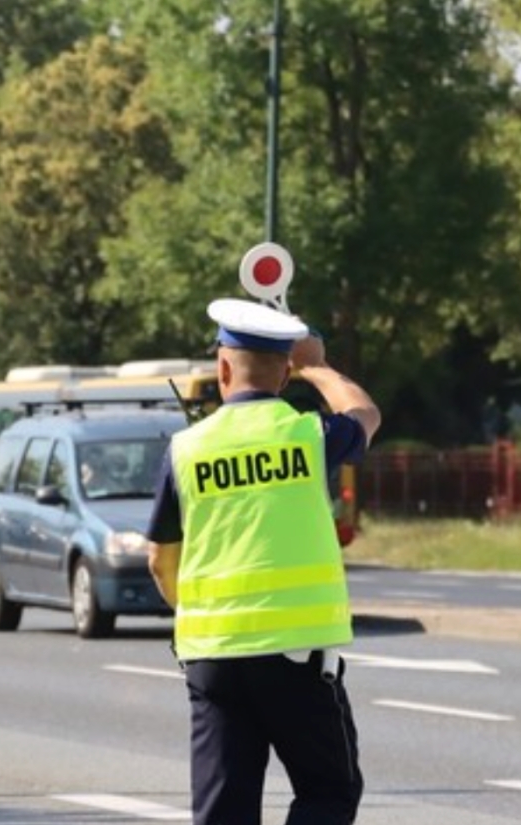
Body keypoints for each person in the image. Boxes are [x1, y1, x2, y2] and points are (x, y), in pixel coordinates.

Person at [146, 297, 382, 825]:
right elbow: (366, 415)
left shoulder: (186, 449)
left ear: (223, 368)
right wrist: (318, 368)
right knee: (328, 792)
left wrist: (197, 612)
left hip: (213, 658)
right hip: (294, 656)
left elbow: (159, 559)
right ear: (284, 374)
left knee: (223, 811)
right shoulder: (308, 435)